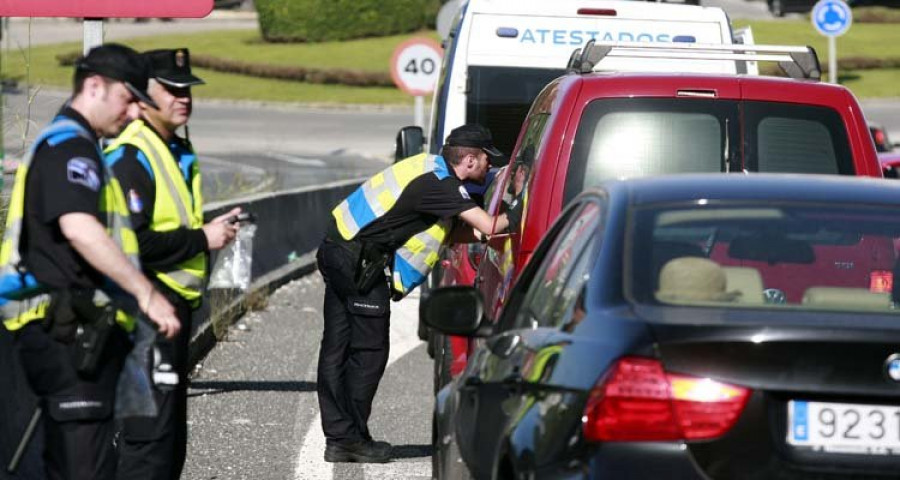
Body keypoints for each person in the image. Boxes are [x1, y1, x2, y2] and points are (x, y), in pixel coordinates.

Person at [0, 43, 180, 480]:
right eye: (128, 99)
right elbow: (79, 228)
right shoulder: (71, 148)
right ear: (95, 87)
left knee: (51, 462)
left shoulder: (73, 144)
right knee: (84, 467)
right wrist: (147, 295)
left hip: (55, 329)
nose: (135, 113)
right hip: (64, 332)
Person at [317, 124, 516, 463]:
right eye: (485, 158)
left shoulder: (427, 168)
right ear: (469, 159)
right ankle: (347, 439)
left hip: (339, 249)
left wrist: (485, 233)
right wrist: (524, 210)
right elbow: (488, 225)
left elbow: (455, 233)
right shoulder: (442, 185)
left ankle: (342, 436)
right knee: (369, 350)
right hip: (358, 263)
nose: (488, 166)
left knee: (337, 345)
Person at [105, 48, 241, 480]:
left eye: (188, 89)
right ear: (141, 95)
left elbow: (167, 222)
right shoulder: (132, 155)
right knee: (148, 441)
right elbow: (133, 242)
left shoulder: (173, 149)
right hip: (143, 311)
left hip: (173, 311)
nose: (183, 97)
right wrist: (203, 238)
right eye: (171, 89)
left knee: (168, 440)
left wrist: (206, 227)